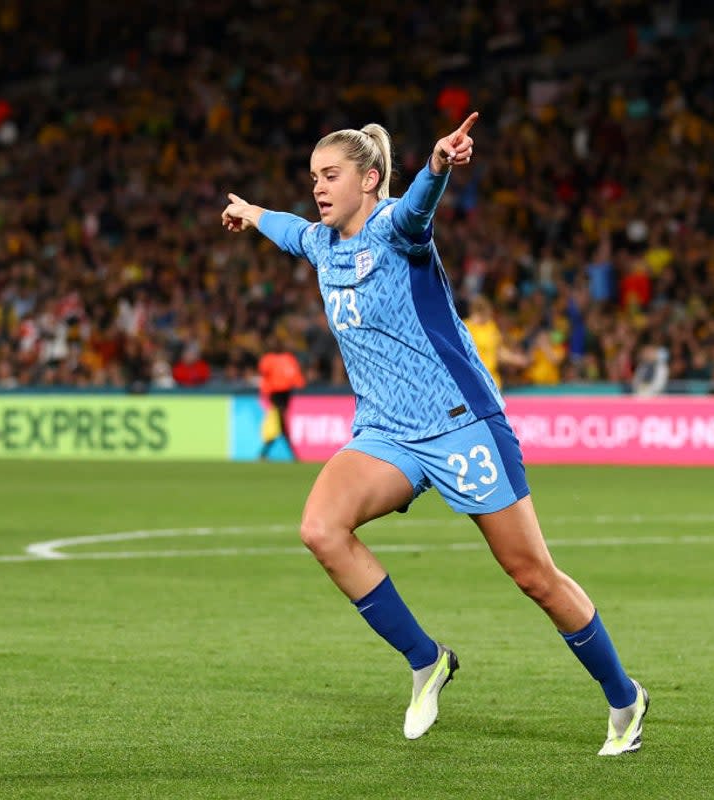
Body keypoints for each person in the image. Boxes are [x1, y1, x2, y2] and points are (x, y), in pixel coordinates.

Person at [222, 113, 648, 755]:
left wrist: (437, 169)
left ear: (369, 179)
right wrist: (253, 213)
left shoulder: (396, 229)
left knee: (532, 574)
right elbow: (289, 232)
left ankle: (624, 696)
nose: (317, 187)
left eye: (330, 175)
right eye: (312, 177)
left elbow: (418, 210)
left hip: (460, 424)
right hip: (386, 433)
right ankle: (426, 660)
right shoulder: (321, 242)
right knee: (320, 529)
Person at [256, 333, 306, 461]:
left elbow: (296, 378)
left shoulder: (286, 359)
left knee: (279, 426)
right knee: (280, 425)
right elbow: (265, 379)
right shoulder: (270, 360)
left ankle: (264, 454)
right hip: (276, 396)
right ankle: (290, 455)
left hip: (283, 395)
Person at [462, 294, 527, 388]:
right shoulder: (464, 327)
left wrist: (516, 359)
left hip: (492, 380)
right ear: (483, 310)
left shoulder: (491, 327)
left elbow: (499, 351)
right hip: (472, 379)